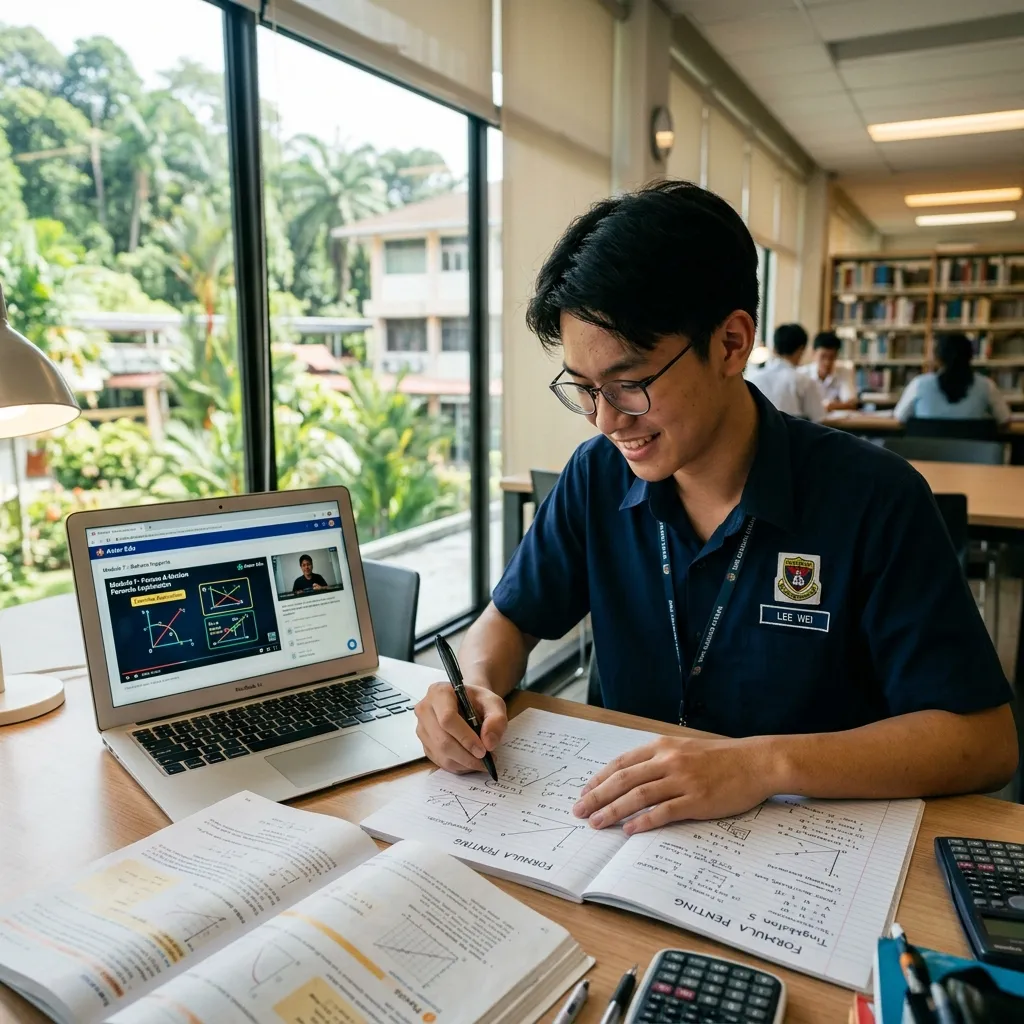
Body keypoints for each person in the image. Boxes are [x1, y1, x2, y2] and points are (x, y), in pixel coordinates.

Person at [413, 180, 1016, 836]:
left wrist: (761, 765)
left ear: (731, 344)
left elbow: (984, 742)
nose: (606, 420)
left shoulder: (875, 497)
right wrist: (473, 688)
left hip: (807, 848)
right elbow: (506, 620)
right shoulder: (597, 477)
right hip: (620, 834)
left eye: (630, 383)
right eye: (584, 389)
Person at [894, 332, 1011, 425]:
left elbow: (900, 417)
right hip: (972, 454)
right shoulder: (986, 386)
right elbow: (1004, 420)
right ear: (970, 356)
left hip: (925, 454)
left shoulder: (919, 384)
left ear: (937, 358)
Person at [746, 323, 825, 422]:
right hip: (793, 436)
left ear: (775, 348)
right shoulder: (805, 382)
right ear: (801, 349)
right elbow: (818, 419)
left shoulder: (753, 378)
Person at [799, 330, 858, 411]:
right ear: (813, 353)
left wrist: (831, 406)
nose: (827, 362)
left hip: (835, 422)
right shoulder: (801, 374)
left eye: (832, 357)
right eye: (823, 356)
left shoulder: (845, 371)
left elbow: (851, 404)